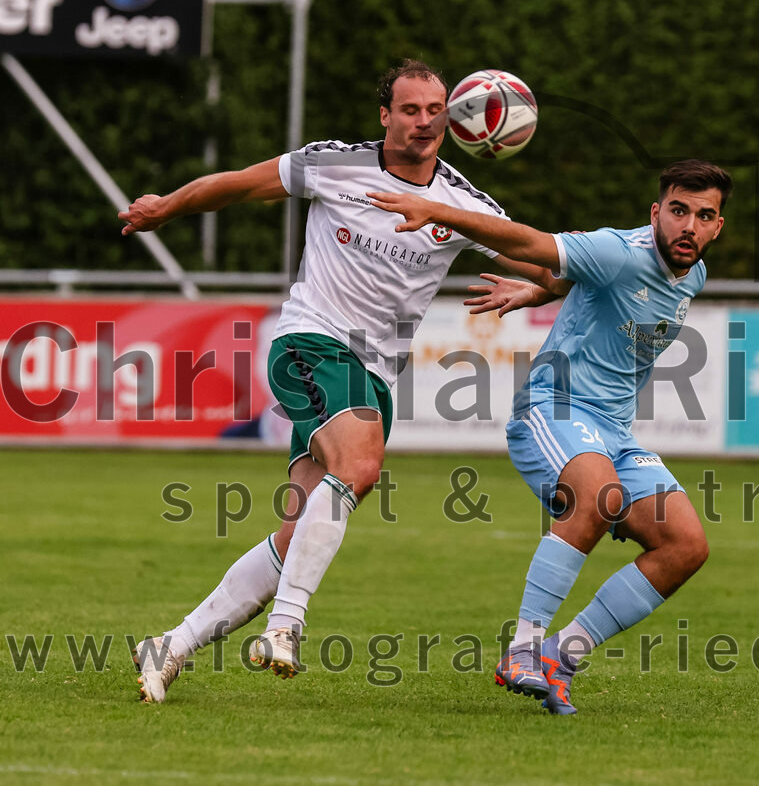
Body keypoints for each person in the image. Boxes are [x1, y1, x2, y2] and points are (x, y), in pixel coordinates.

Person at [121, 59, 562, 703]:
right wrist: (167, 207)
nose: (423, 123)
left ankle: (172, 646)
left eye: (434, 110)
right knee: (360, 464)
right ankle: (286, 626)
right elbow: (238, 186)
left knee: (296, 533)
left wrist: (533, 289)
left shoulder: (461, 204)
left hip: (374, 373)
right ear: (385, 115)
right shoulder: (334, 163)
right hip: (311, 341)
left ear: (453, 117)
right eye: (409, 110)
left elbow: (553, 265)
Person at [369, 158, 732, 714]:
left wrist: (538, 294)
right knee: (598, 498)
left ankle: (563, 654)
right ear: (656, 212)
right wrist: (439, 210)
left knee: (685, 546)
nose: (689, 226)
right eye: (678, 211)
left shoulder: (694, 275)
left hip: (614, 430)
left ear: (717, 227)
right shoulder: (618, 249)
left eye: (703, 216)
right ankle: (522, 649)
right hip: (555, 407)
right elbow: (534, 244)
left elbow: (575, 284)